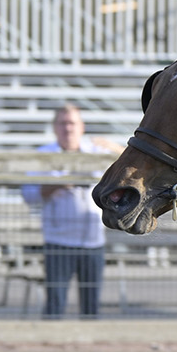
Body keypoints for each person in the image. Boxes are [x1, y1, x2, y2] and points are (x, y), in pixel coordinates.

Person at [22, 103, 121, 318]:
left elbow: (134, 163)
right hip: (59, 241)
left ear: (81, 127)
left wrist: (113, 147)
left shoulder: (97, 151)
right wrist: (58, 184)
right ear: (54, 127)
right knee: (55, 302)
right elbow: (28, 195)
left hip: (93, 240)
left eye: (72, 123)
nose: (68, 128)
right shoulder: (43, 155)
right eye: (63, 123)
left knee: (91, 304)